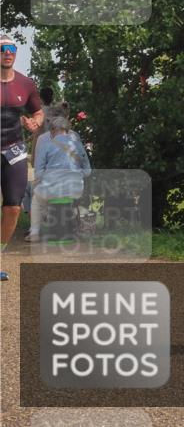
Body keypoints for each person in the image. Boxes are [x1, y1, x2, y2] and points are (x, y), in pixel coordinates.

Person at [0, 34, 44, 280]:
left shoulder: (26, 84)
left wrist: (35, 122)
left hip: (13, 150)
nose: (7, 53)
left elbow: (38, 112)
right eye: (2, 49)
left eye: (11, 48)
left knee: (14, 208)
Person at [26, 115, 91, 242]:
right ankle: (71, 222)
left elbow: (38, 174)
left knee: (36, 200)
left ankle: (34, 233)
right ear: (68, 130)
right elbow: (87, 171)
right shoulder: (77, 144)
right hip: (75, 189)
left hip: (52, 189)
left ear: (52, 130)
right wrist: (76, 174)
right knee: (63, 200)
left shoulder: (45, 145)